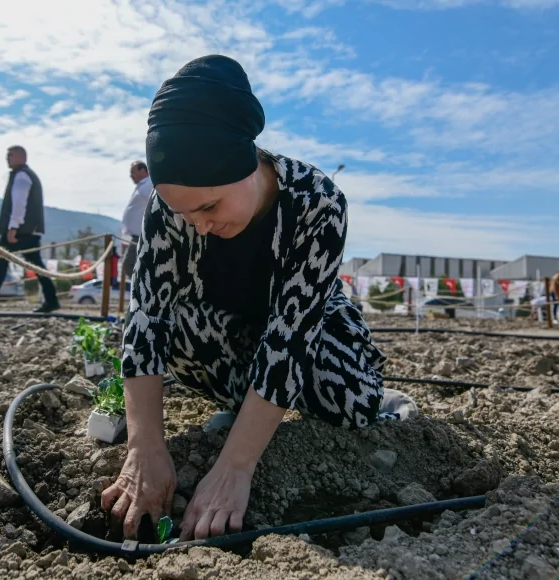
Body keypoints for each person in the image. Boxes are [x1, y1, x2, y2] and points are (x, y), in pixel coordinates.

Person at [102, 55, 416, 542]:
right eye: (186, 214)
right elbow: (147, 319)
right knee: (176, 332)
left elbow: (289, 338)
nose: (200, 225)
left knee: (349, 404)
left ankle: (375, 397)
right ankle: (243, 407)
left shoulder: (317, 203)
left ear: (246, 165)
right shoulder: (169, 211)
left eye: (209, 206)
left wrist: (236, 468)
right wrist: (145, 447)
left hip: (309, 328)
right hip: (230, 325)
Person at [0, 146, 59, 313]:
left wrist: (13, 226)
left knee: (2, 265)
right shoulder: (25, 175)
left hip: (20, 231)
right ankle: (51, 300)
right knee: (33, 266)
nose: (7, 158)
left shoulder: (21, 176)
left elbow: (19, 203)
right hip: (28, 230)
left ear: (22, 157)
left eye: (11, 155)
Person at [120, 161, 154, 278]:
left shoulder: (150, 184)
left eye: (133, 172)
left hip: (142, 235)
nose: (131, 176)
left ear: (143, 170)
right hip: (134, 235)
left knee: (129, 265)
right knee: (131, 266)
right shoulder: (142, 185)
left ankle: (144, 292)